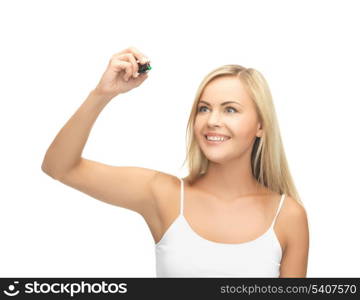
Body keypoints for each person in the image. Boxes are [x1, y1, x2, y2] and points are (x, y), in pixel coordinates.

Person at [41, 46, 309, 278]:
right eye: (204, 108)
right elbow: (59, 167)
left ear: (261, 125)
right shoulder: (164, 194)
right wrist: (102, 94)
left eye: (230, 109)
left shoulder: (288, 216)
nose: (212, 121)